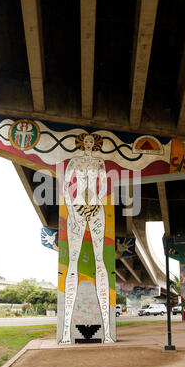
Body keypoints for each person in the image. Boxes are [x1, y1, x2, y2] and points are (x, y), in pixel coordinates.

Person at [60, 133, 113, 344]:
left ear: (95, 144)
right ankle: (65, 333)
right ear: (82, 143)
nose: (89, 143)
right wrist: (72, 209)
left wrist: (97, 202)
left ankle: (107, 333)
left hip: (96, 208)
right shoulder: (75, 161)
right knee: (73, 262)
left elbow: (104, 186)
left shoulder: (100, 162)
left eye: (92, 141)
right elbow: (66, 186)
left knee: (100, 261)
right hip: (78, 206)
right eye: (86, 141)